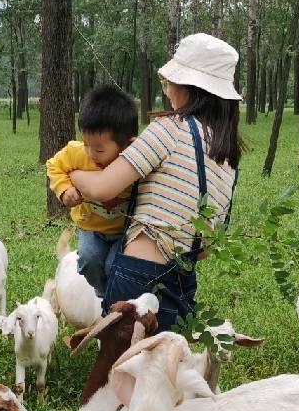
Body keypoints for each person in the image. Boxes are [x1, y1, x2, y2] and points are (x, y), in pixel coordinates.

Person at [70, 33, 243, 331]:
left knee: (117, 372)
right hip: (182, 279)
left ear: (189, 88)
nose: (168, 90)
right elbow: (206, 247)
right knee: (160, 372)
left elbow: (102, 188)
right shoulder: (228, 158)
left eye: (169, 82)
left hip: (136, 276)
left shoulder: (169, 130)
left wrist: (69, 173)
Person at [46, 84, 139, 296]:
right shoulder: (77, 153)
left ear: (127, 145)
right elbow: (54, 165)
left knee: (114, 266)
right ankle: (104, 296)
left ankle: (112, 299)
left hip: (124, 230)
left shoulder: (136, 161)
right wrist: (64, 189)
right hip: (91, 228)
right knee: (89, 260)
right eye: (85, 143)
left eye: (98, 149)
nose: (90, 153)